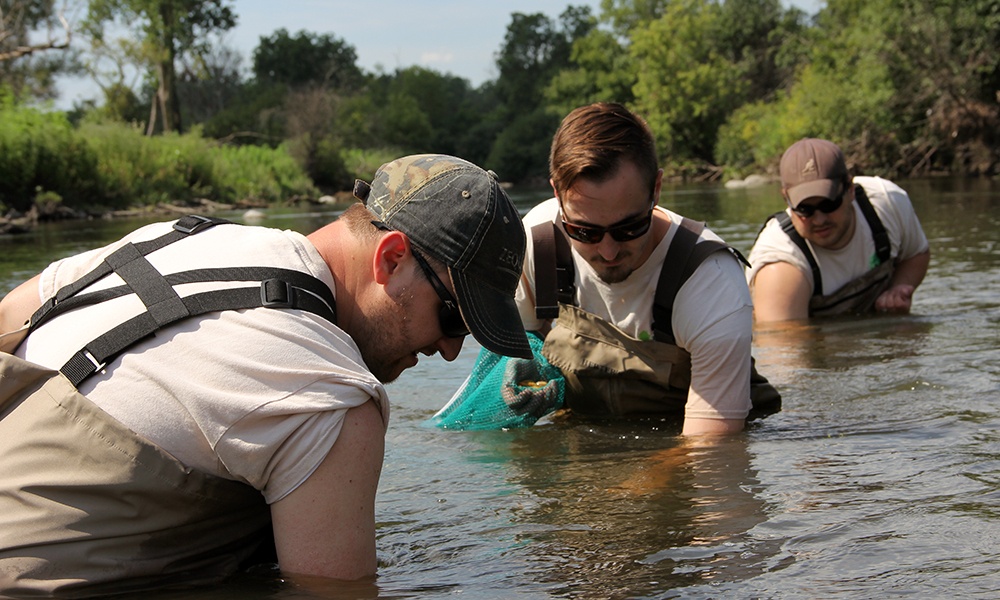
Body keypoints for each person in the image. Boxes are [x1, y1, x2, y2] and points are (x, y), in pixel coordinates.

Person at [0, 154, 531, 597]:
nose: (450, 350)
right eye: (454, 318)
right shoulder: (329, 393)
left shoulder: (174, 236)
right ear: (391, 259)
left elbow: (11, 318)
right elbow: (330, 595)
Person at [515, 102, 779, 436]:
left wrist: (631, 486)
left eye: (629, 228)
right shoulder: (539, 247)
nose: (608, 251)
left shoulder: (710, 280)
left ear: (656, 189)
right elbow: (517, 350)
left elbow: (712, 452)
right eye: (585, 232)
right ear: (557, 194)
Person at [746, 138, 931, 322]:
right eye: (805, 209)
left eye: (829, 204)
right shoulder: (780, 266)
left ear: (850, 189)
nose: (819, 219)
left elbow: (916, 253)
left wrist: (899, 288)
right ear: (786, 198)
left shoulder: (887, 203)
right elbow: (786, 345)